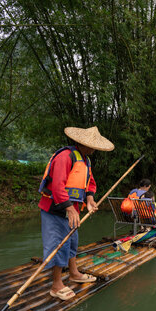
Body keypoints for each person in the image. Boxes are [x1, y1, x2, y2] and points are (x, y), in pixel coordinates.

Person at [38, 126, 114, 301]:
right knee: (59, 244)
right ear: (81, 143)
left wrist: (89, 200)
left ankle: (73, 273)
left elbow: (90, 183)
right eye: (92, 145)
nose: (94, 149)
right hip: (56, 210)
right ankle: (56, 285)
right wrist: (70, 208)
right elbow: (57, 186)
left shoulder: (85, 160)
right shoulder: (65, 157)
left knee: (72, 242)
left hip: (71, 210)